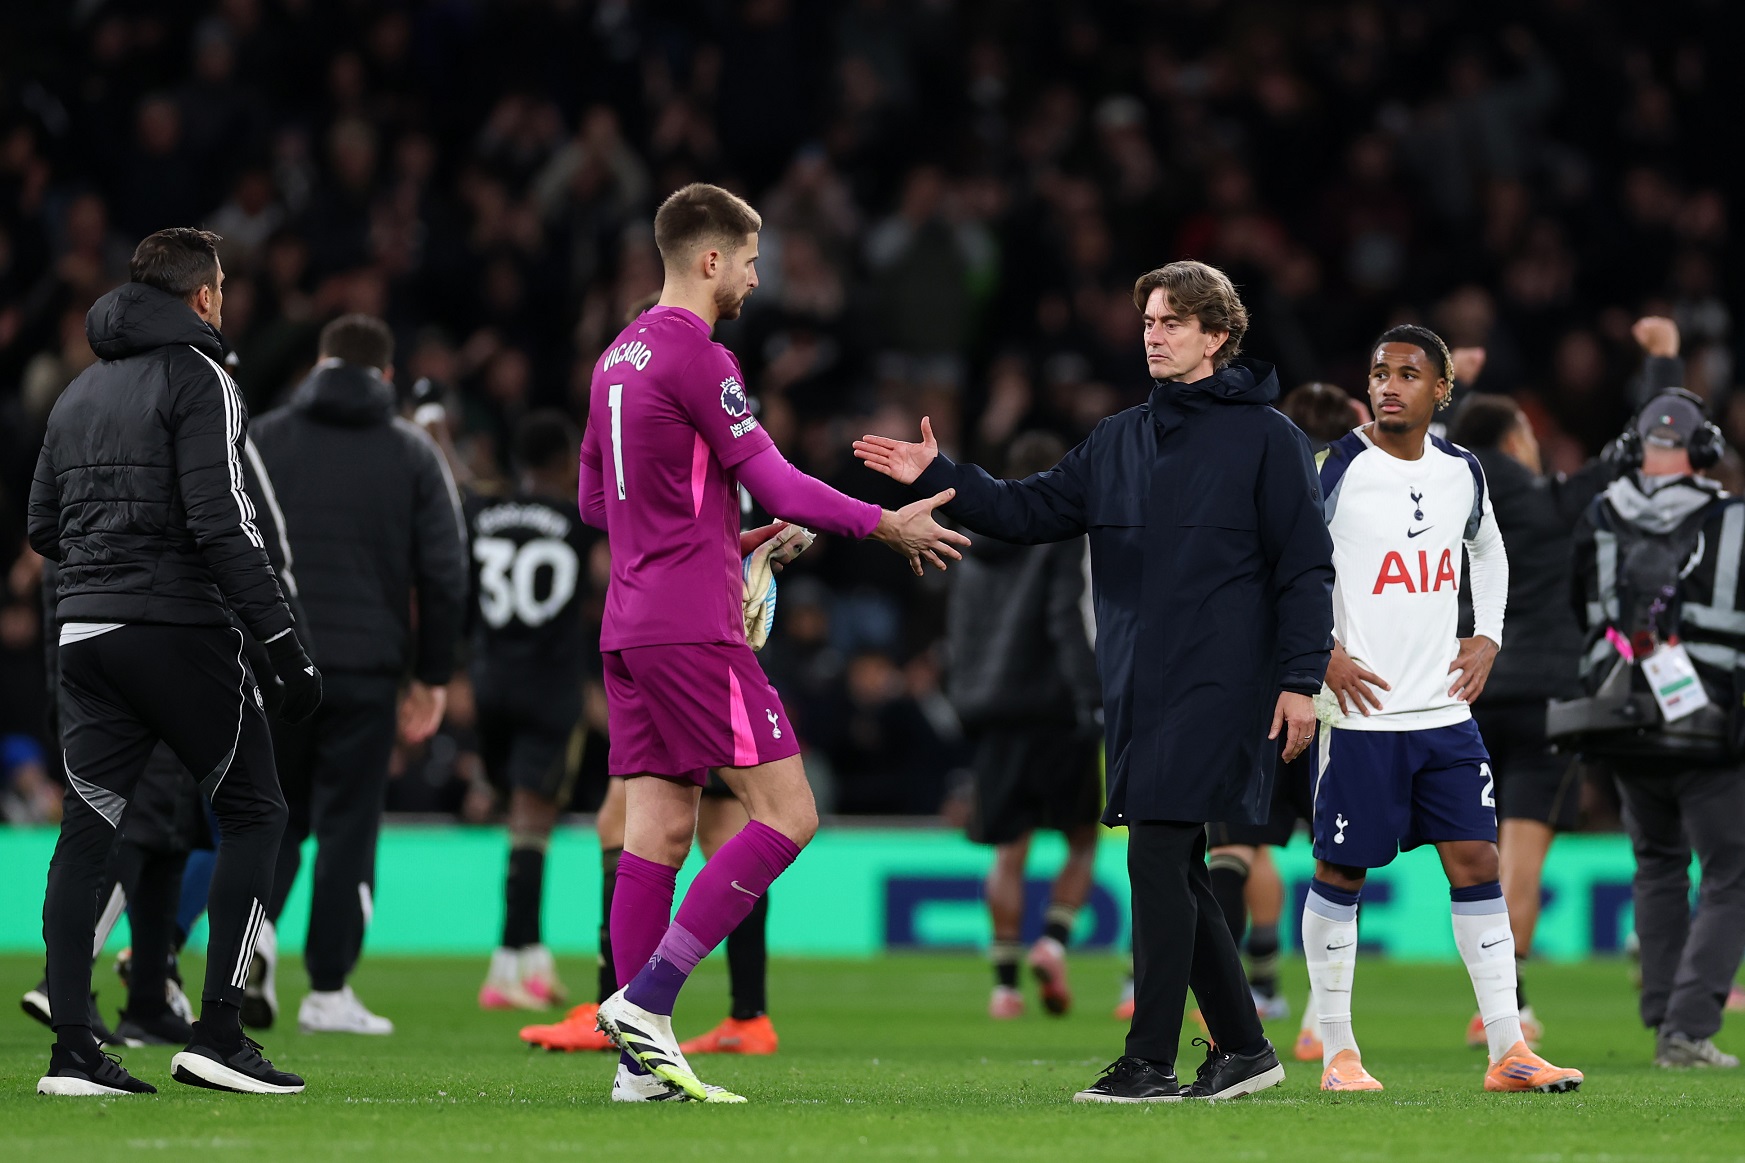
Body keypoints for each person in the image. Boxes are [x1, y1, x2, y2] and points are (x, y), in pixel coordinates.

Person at [858, 259, 1332, 1104]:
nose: (1154, 334)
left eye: (1173, 322)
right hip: (1138, 687)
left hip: (1225, 684)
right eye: (1148, 320)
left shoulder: (1268, 439)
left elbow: (1304, 569)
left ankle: (1148, 1058)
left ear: (1217, 335)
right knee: (1176, 863)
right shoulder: (1118, 439)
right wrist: (943, 477)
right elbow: (1025, 511)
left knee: (1157, 850)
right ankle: (1245, 1049)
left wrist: (1300, 677)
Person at [584, 182, 968, 1104]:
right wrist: (884, 525)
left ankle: (641, 1070)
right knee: (788, 813)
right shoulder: (700, 355)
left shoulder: (613, 359)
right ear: (710, 259)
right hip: (691, 627)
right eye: (752, 261)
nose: (759, 279)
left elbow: (600, 505)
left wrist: (732, 538)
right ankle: (649, 1000)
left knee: (660, 830)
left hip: (630, 624)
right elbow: (783, 483)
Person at [27, 227, 319, 1095]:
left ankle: (74, 1049)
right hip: (178, 628)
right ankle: (218, 1035)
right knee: (258, 810)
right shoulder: (204, 377)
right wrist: (282, 645)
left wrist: (104, 556)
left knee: (87, 833)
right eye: (222, 286)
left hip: (85, 630)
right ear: (202, 296)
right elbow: (221, 519)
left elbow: (42, 524)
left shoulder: (78, 391)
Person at [1306, 324, 1582, 1094]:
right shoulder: (1333, 467)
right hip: (1360, 712)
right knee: (1341, 869)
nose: (1388, 384)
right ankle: (1337, 1052)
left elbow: (1486, 550)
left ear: (1441, 391)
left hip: (1441, 711)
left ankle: (1507, 1050)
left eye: (1406, 372)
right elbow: (1282, 563)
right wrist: (1317, 651)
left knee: (1477, 859)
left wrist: (1486, 635)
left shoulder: (1463, 469)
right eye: (1378, 372)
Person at [252, 313, 469, 1035]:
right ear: (385, 377)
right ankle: (328, 988)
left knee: (270, 813)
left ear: (319, 363)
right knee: (347, 824)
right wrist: (432, 675)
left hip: (276, 664)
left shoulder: (264, 438)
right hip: (368, 672)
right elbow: (444, 572)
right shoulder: (411, 453)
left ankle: (253, 934)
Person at [1563, 388, 1745, 1069]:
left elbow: (1573, 605)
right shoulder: (1733, 521)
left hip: (1620, 720)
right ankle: (1687, 1026)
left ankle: (1665, 1014)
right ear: (1705, 452)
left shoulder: (1599, 513)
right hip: (1708, 721)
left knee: (1657, 863)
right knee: (1729, 871)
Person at [1447, 391, 1621, 1049]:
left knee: (1468, 849)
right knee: (1521, 851)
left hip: (1463, 690)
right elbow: (1638, 448)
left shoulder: (1440, 505)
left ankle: (1498, 1002)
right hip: (1546, 698)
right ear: (1517, 439)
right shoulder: (1556, 499)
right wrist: (1661, 359)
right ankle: (1507, 1007)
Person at [944, 430, 1102, 1021]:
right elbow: (1065, 615)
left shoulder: (972, 538)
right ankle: (1052, 942)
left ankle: (1004, 987)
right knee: (1082, 837)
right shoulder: (1056, 532)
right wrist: (1090, 697)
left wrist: (964, 697)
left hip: (992, 710)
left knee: (1009, 849)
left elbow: (959, 628)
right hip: (1057, 708)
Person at [469, 410, 600, 1012]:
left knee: (515, 819)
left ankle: (533, 959)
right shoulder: (576, 522)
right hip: (550, 684)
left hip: (490, 682)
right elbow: (603, 584)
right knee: (532, 824)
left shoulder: (485, 515)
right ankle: (506, 965)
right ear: (560, 460)